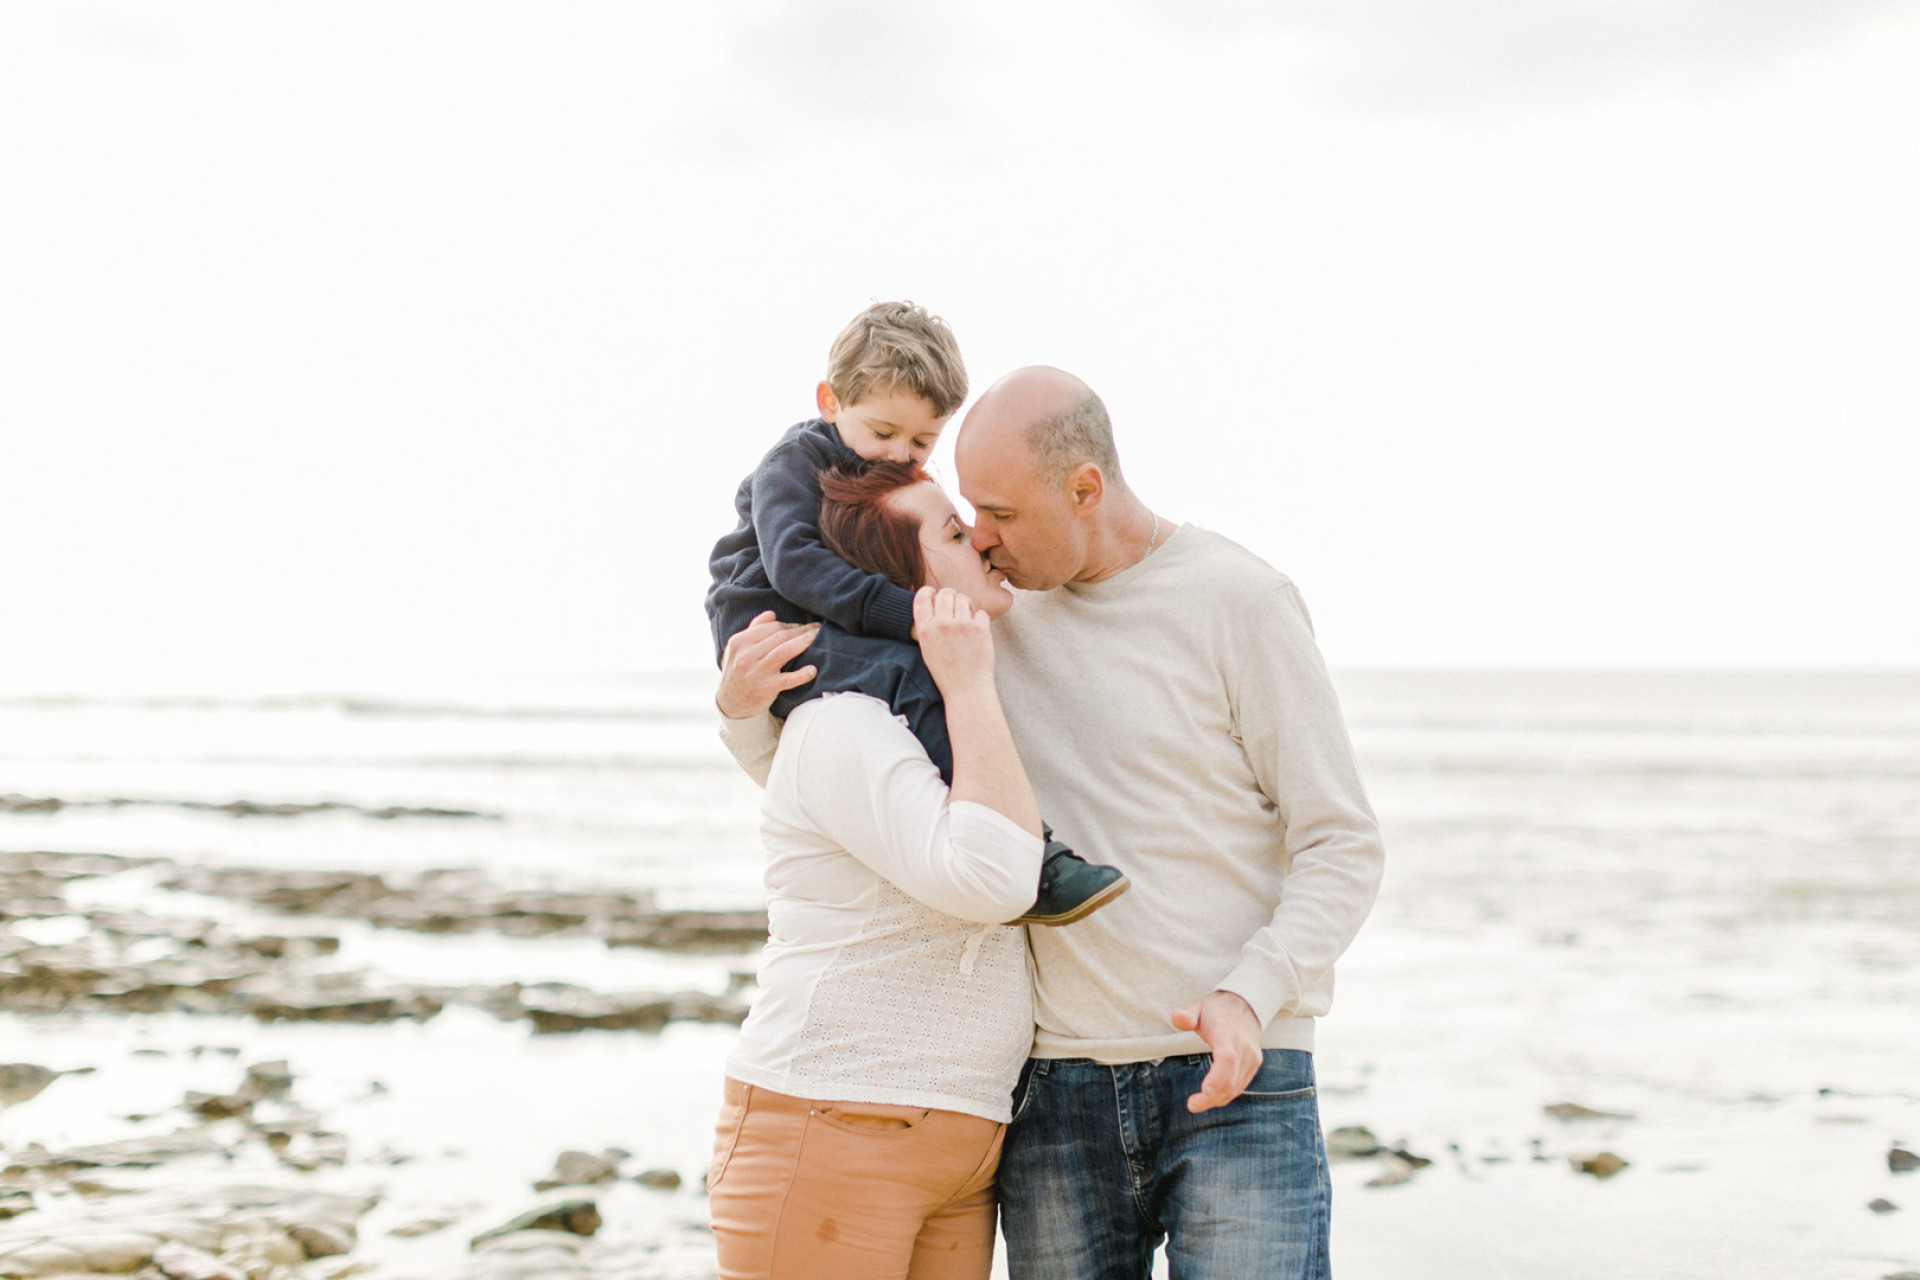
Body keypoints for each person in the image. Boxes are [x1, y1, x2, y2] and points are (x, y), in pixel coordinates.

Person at [718, 366, 1386, 1280]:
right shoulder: (975, 610)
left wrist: (1254, 993)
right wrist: (740, 710)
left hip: (1238, 1071)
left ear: (1085, 489)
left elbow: (1340, 842)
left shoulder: (1241, 601)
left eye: (1000, 514)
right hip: (1049, 1090)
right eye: (970, 517)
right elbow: (852, 775)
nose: (982, 541)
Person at [708, 464, 1043, 1280]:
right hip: (833, 1124)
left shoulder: (914, 716)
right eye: (955, 537)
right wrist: (964, 678)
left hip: (960, 1142)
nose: (983, 544)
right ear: (900, 585)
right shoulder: (848, 722)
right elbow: (996, 882)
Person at [705, 301, 1125, 925]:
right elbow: (795, 567)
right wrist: (911, 615)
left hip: (824, 616)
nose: (902, 456)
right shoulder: (791, 467)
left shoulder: (875, 473)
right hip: (774, 625)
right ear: (829, 402)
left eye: (923, 441)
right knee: (907, 672)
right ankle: (1033, 852)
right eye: (884, 434)